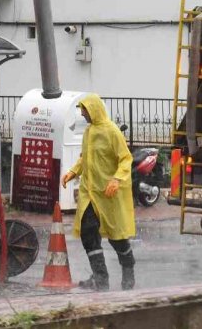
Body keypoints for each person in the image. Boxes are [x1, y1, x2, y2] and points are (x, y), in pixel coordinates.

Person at [61, 94, 136, 291]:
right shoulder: (88, 132)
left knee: (116, 236)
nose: (82, 114)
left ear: (94, 109)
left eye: (84, 110)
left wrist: (117, 179)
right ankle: (100, 278)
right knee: (88, 231)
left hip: (109, 194)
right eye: (81, 110)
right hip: (89, 193)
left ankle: (128, 271)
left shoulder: (112, 131)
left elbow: (126, 159)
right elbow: (85, 157)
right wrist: (73, 171)